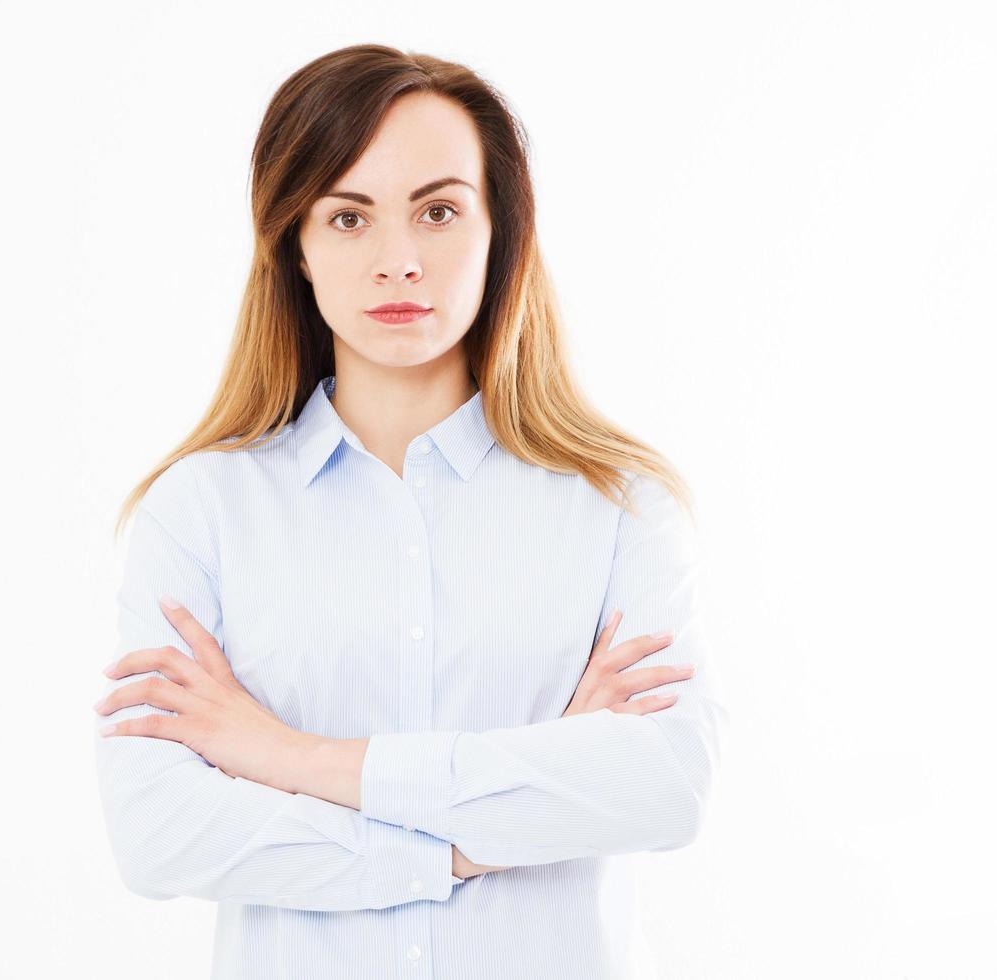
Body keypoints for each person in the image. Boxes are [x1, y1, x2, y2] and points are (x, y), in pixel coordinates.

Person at [93, 43, 728, 980]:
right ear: (295, 246)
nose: (398, 261)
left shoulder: (618, 504)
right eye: (348, 217)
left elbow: (664, 787)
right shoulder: (203, 509)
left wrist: (283, 755)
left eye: (437, 211)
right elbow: (158, 835)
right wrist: (488, 826)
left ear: (496, 229)